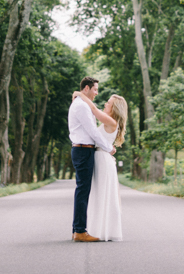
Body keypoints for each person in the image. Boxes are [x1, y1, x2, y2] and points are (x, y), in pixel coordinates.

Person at [74, 91, 127, 242]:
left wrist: (80, 94)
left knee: (102, 193)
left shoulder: (111, 121)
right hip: (100, 157)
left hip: (102, 160)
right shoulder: (109, 121)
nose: (105, 104)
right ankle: (96, 228)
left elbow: (94, 110)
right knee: (98, 194)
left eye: (108, 103)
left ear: (114, 108)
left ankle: (103, 230)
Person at [68, 76, 116, 242]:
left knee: (82, 190)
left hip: (82, 150)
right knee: (83, 191)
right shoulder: (81, 106)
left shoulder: (81, 103)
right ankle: (80, 231)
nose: (96, 93)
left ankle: (77, 230)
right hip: (83, 150)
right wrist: (109, 148)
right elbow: (93, 132)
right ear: (86, 88)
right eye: (95, 89)